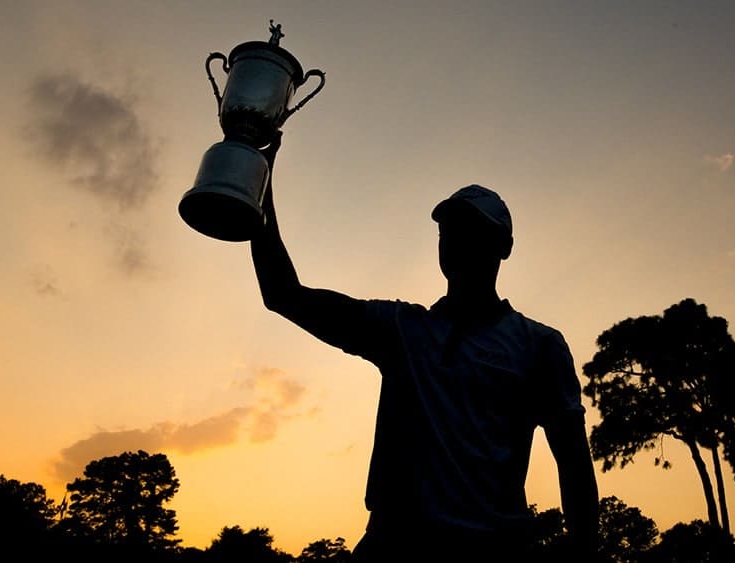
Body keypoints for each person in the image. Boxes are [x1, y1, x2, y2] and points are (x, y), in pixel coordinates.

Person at [249, 133, 600, 562]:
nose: (453, 238)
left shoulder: (540, 346)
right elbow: (283, 293)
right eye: (447, 230)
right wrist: (256, 176)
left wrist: (583, 555)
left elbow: (574, 464)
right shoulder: (401, 329)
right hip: (393, 550)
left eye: (471, 230)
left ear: (503, 248)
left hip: (493, 553)